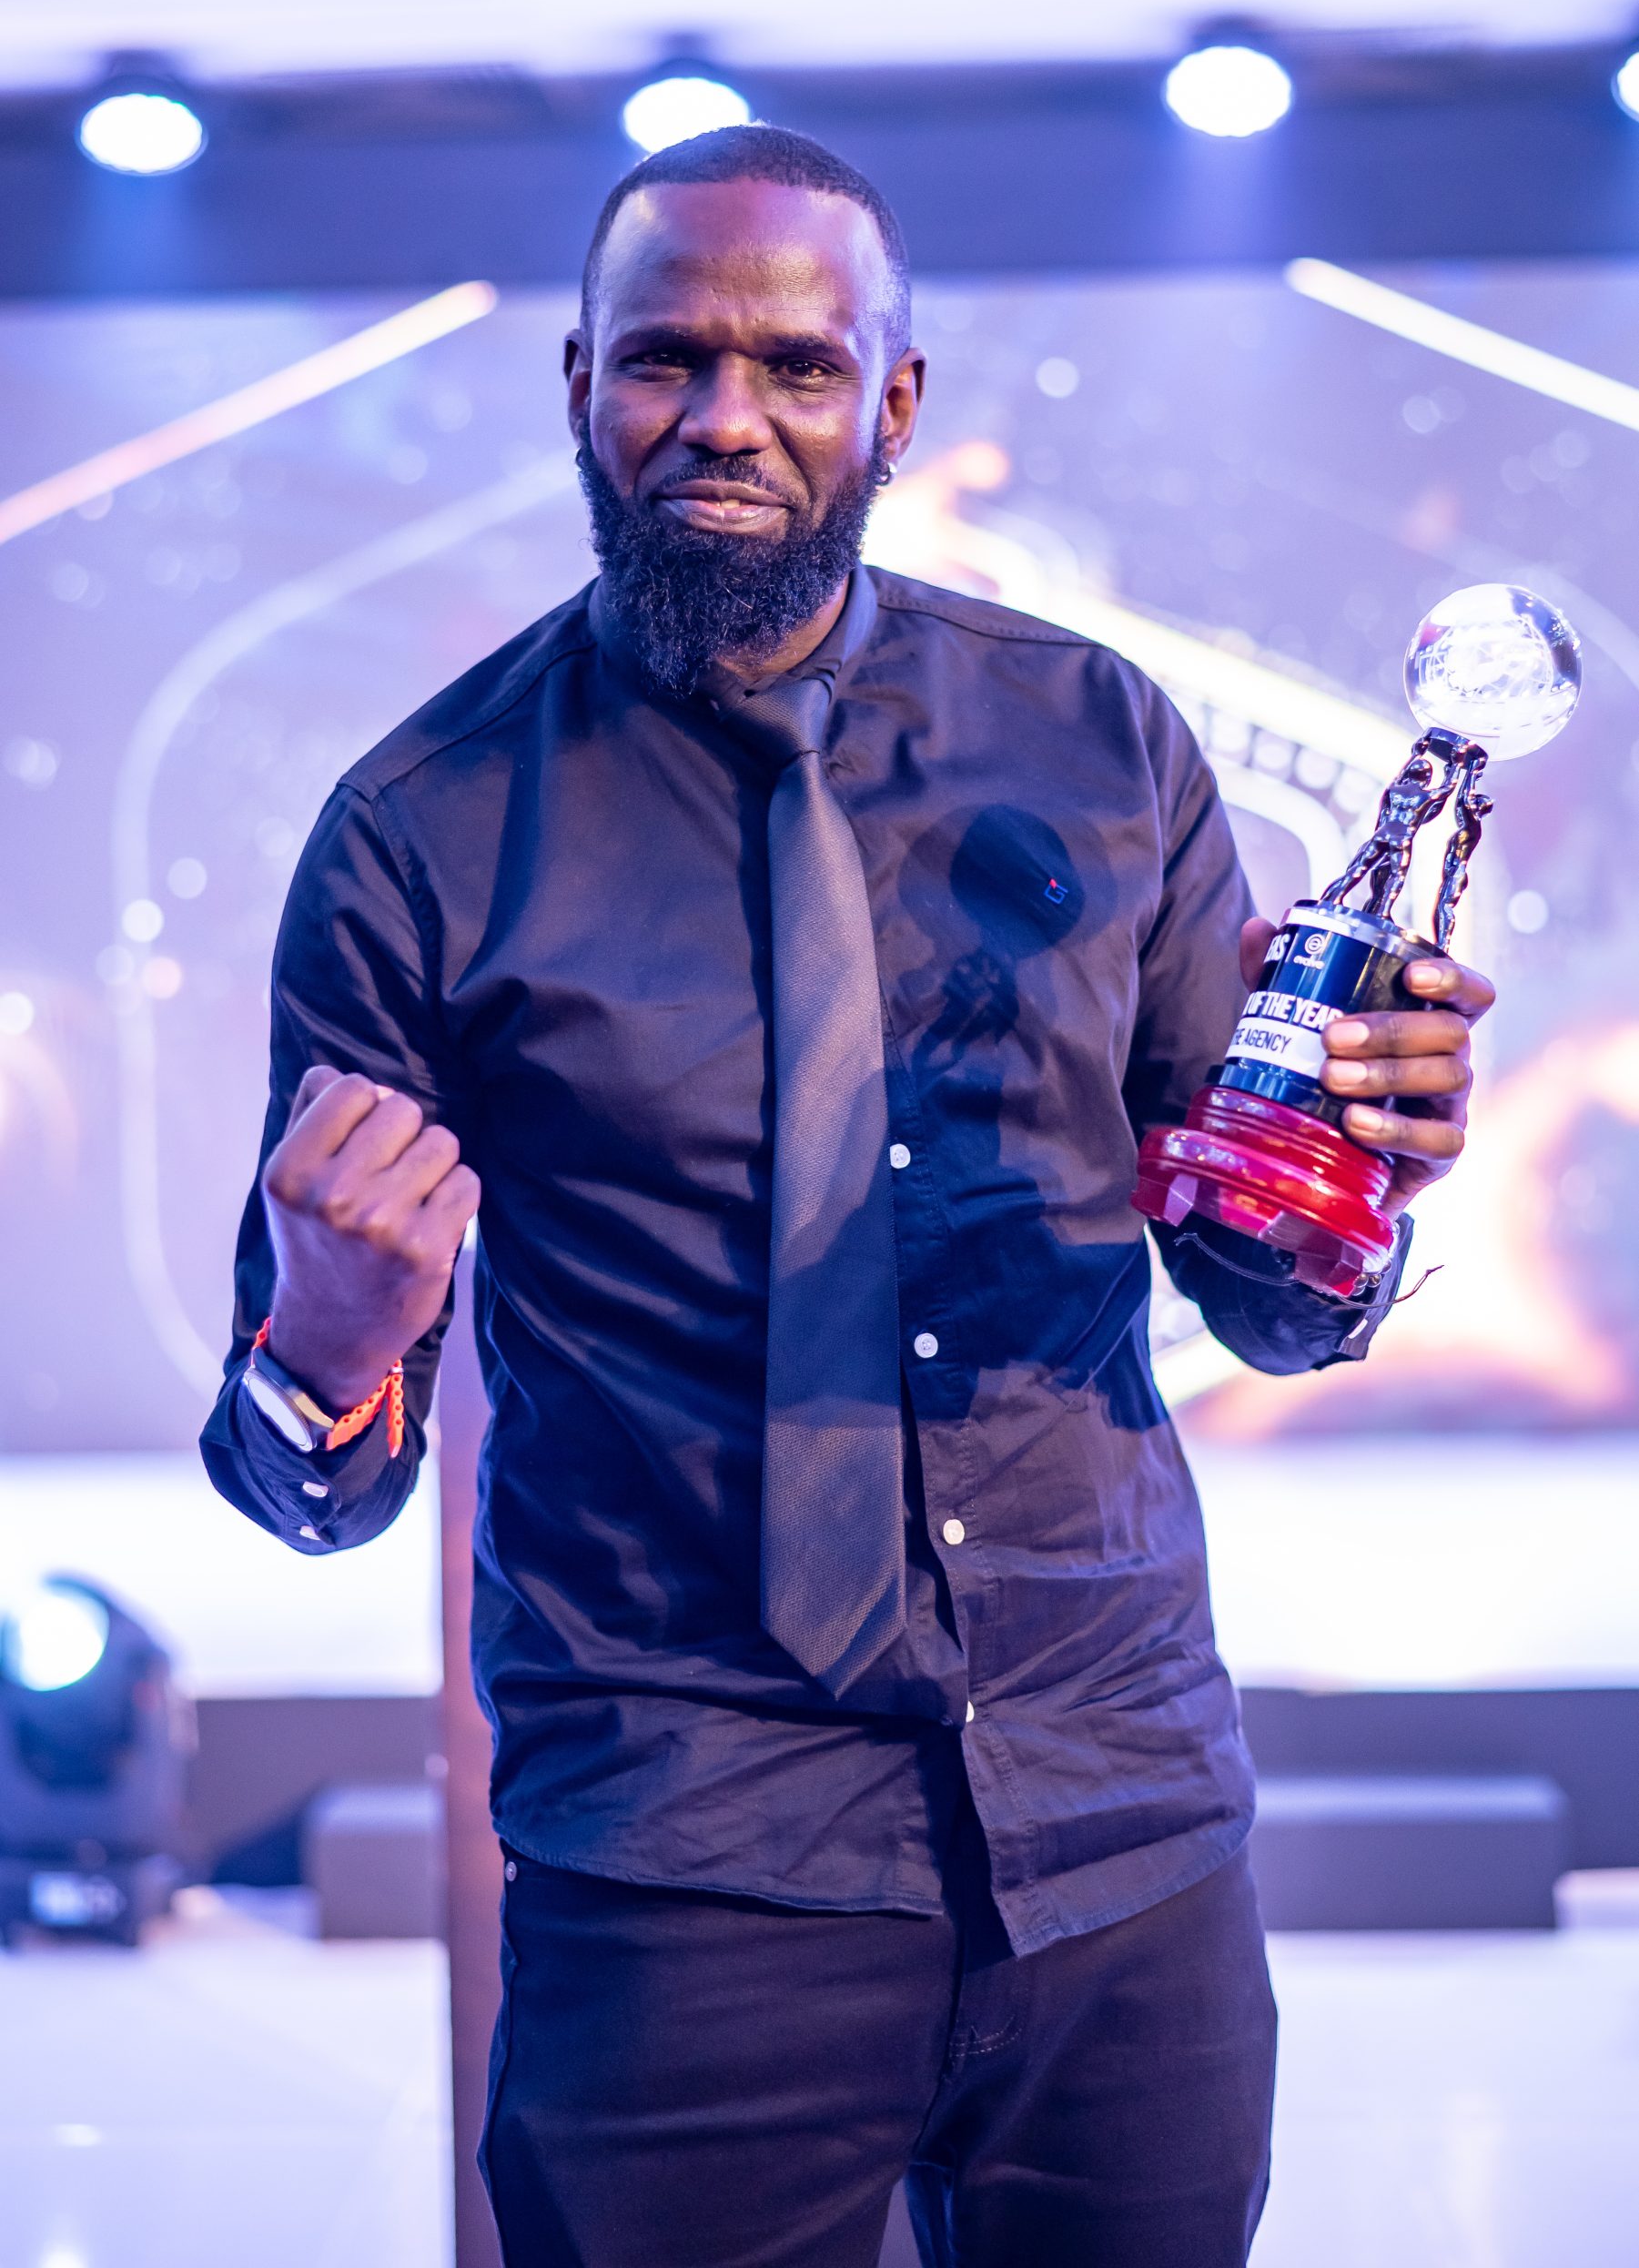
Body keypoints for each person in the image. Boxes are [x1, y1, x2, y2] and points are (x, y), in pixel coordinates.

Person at [201, 126, 1492, 2268]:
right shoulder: (419, 832)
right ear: (581, 385)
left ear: (891, 403)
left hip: (1122, 1829)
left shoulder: (1101, 743)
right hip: (688, 1866)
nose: (727, 416)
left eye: (795, 367)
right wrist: (329, 1341)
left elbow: (1265, 1296)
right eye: (666, 358)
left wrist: (1352, 1174)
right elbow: (299, 1481)